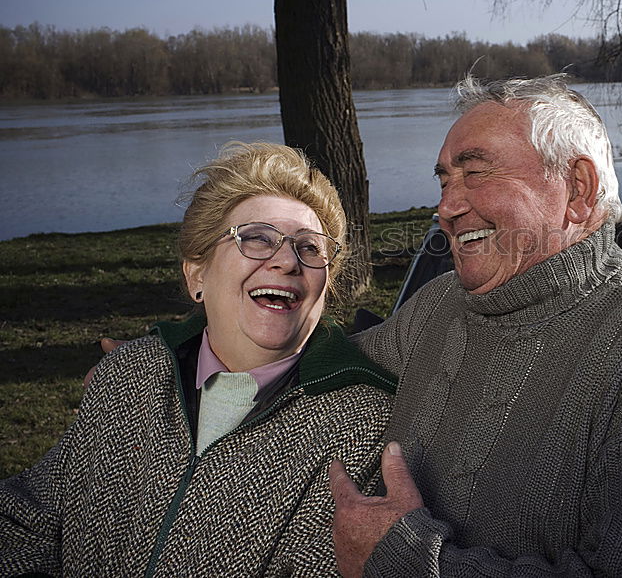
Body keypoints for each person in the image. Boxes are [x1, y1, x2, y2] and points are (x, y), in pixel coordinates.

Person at [330, 74, 622, 577]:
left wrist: (405, 561)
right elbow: (326, 367)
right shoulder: (440, 304)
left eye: (476, 173)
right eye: (444, 181)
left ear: (577, 190)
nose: (446, 208)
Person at [0, 142, 395, 575]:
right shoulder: (130, 374)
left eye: (310, 248)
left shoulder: (361, 426)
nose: (287, 260)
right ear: (198, 275)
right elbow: (26, 517)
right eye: (257, 238)